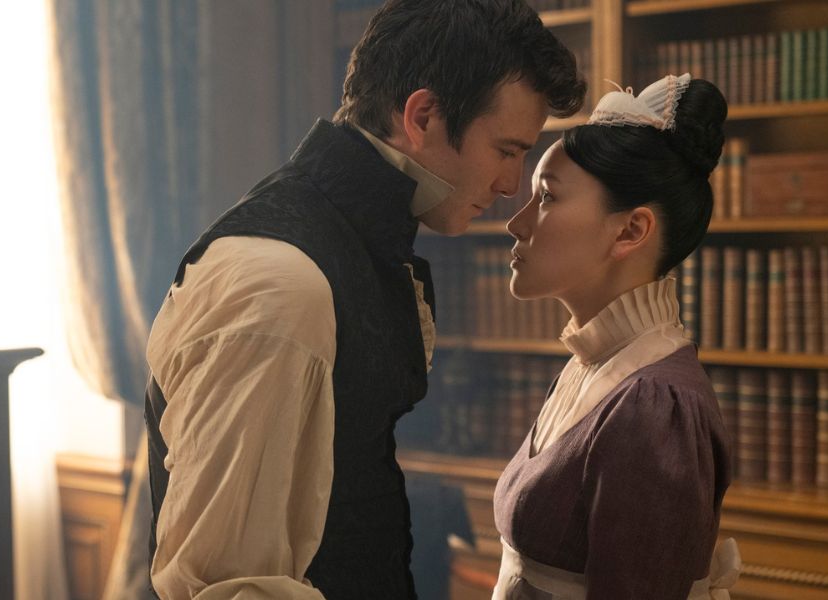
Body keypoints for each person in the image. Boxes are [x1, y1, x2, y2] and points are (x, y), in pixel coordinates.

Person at [142, 1, 585, 598]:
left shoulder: (354, 247)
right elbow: (224, 585)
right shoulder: (280, 283)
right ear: (422, 116)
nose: (512, 185)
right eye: (507, 151)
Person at [492, 74, 741, 599]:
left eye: (546, 197)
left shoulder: (654, 406)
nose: (517, 224)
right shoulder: (594, 365)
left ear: (631, 230)